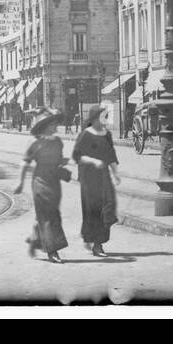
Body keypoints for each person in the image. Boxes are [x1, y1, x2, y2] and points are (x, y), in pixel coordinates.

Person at [14, 108, 69, 263]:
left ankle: (34, 239)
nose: (56, 126)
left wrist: (62, 161)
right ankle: (53, 251)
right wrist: (20, 182)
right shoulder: (34, 142)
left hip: (54, 181)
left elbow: (58, 159)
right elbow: (25, 163)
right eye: (53, 124)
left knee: (47, 214)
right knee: (50, 215)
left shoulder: (58, 142)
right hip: (40, 181)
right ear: (45, 126)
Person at [72, 103, 120, 257]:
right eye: (103, 116)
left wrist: (115, 172)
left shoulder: (107, 134)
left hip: (103, 174)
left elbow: (111, 154)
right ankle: (96, 244)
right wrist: (93, 161)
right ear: (94, 118)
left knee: (109, 204)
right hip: (88, 176)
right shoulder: (86, 134)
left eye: (106, 116)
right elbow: (77, 156)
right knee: (93, 209)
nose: (105, 119)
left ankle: (93, 237)